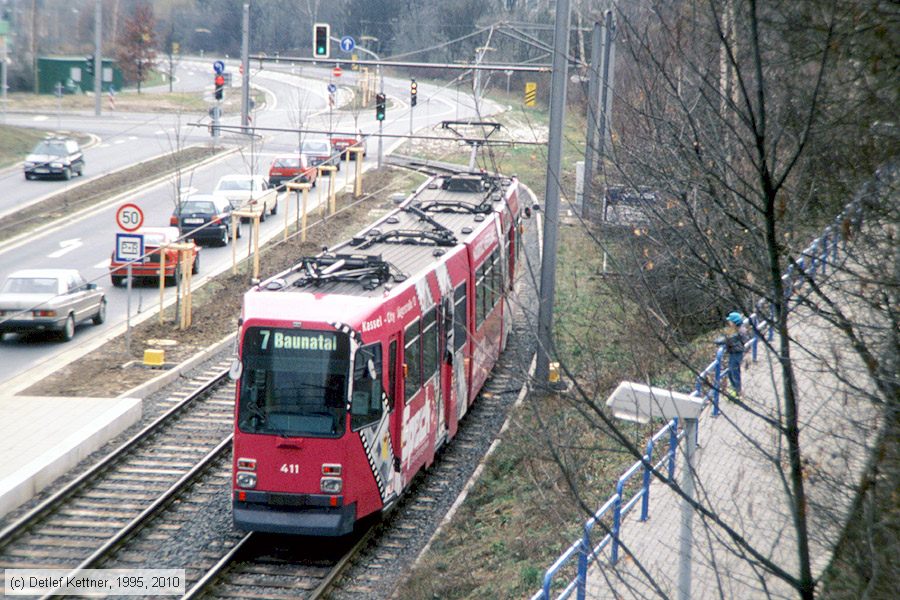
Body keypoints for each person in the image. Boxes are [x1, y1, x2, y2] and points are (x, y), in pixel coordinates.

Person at [724, 312, 747, 396]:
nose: (729, 323)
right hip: (733, 353)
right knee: (730, 371)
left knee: (734, 371)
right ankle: (735, 388)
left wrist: (726, 341)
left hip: (736, 353)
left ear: (734, 322)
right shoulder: (735, 329)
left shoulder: (739, 331)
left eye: (730, 321)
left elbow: (733, 340)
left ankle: (738, 391)